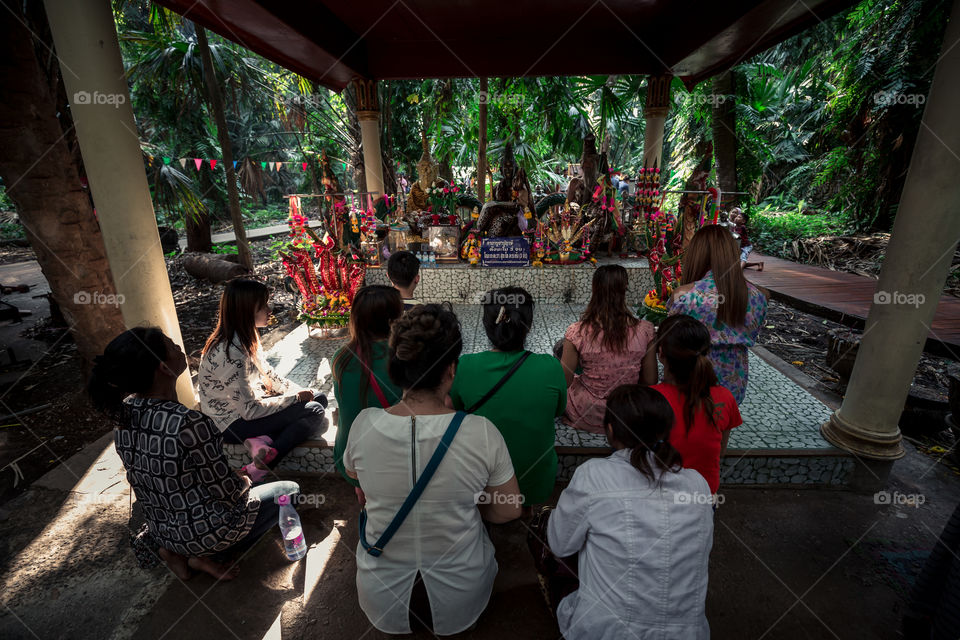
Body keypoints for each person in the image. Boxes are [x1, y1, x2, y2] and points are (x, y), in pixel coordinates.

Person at [344, 304, 522, 636]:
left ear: (396, 366)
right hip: (461, 595)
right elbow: (510, 510)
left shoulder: (363, 425)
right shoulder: (480, 431)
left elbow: (357, 478)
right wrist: (463, 501)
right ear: (451, 370)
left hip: (382, 595)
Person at [89, 328, 300, 581]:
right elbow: (229, 493)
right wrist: (246, 477)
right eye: (171, 346)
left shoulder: (124, 413)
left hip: (161, 529)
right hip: (203, 532)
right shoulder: (188, 423)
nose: (179, 347)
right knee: (289, 492)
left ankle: (176, 553)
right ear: (163, 369)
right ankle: (210, 555)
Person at [547, 384, 714, 639]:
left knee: (562, 556)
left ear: (611, 430)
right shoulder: (698, 484)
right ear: (667, 430)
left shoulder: (594, 475)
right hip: (688, 633)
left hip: (604, 631)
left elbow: (560, 545)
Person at [198, 279, 326, 482]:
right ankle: (259, 467)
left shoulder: (246, 337)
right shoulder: (230, 353)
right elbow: (249, 411)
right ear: (246, 311)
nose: (269, 310)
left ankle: (262, 441)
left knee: (318, 398)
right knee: (314, 410)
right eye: (263, 306)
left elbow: (270, 375)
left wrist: (299, 393)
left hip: (248, 410)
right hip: (232, 423)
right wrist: (294, 400)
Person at [450, 287, 566, 506]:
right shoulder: (550, 367)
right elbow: (558, 410)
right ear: (529, 326)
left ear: (486, 327)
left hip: (483, 487)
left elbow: (454, 410)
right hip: (535, 486)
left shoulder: (464, 367)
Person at [653, 224, 768, 404]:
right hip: (733, 384)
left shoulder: (685, 295)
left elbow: (670, 343)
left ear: (697, 255)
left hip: (687, 380)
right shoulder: (759, 296)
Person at [651, 314, 742, 494]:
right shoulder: (725, 397)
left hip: (658, 496)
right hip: (704, 497)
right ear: (706, 352)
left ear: (661, 352)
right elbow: (719, 452)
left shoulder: (650, 398)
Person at [561, 264, 656, 433]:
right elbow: (650, 380)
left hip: (587, 410)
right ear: (625, 288)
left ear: (594, 289)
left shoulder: (577, 331)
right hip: (628, 410)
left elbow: (564, 381)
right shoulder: (645, 330)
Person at [331, 285, 403, 489]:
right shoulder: (402, 358)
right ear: (394, 320)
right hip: (385, 461)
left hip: (347, 457)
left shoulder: (341, 357)